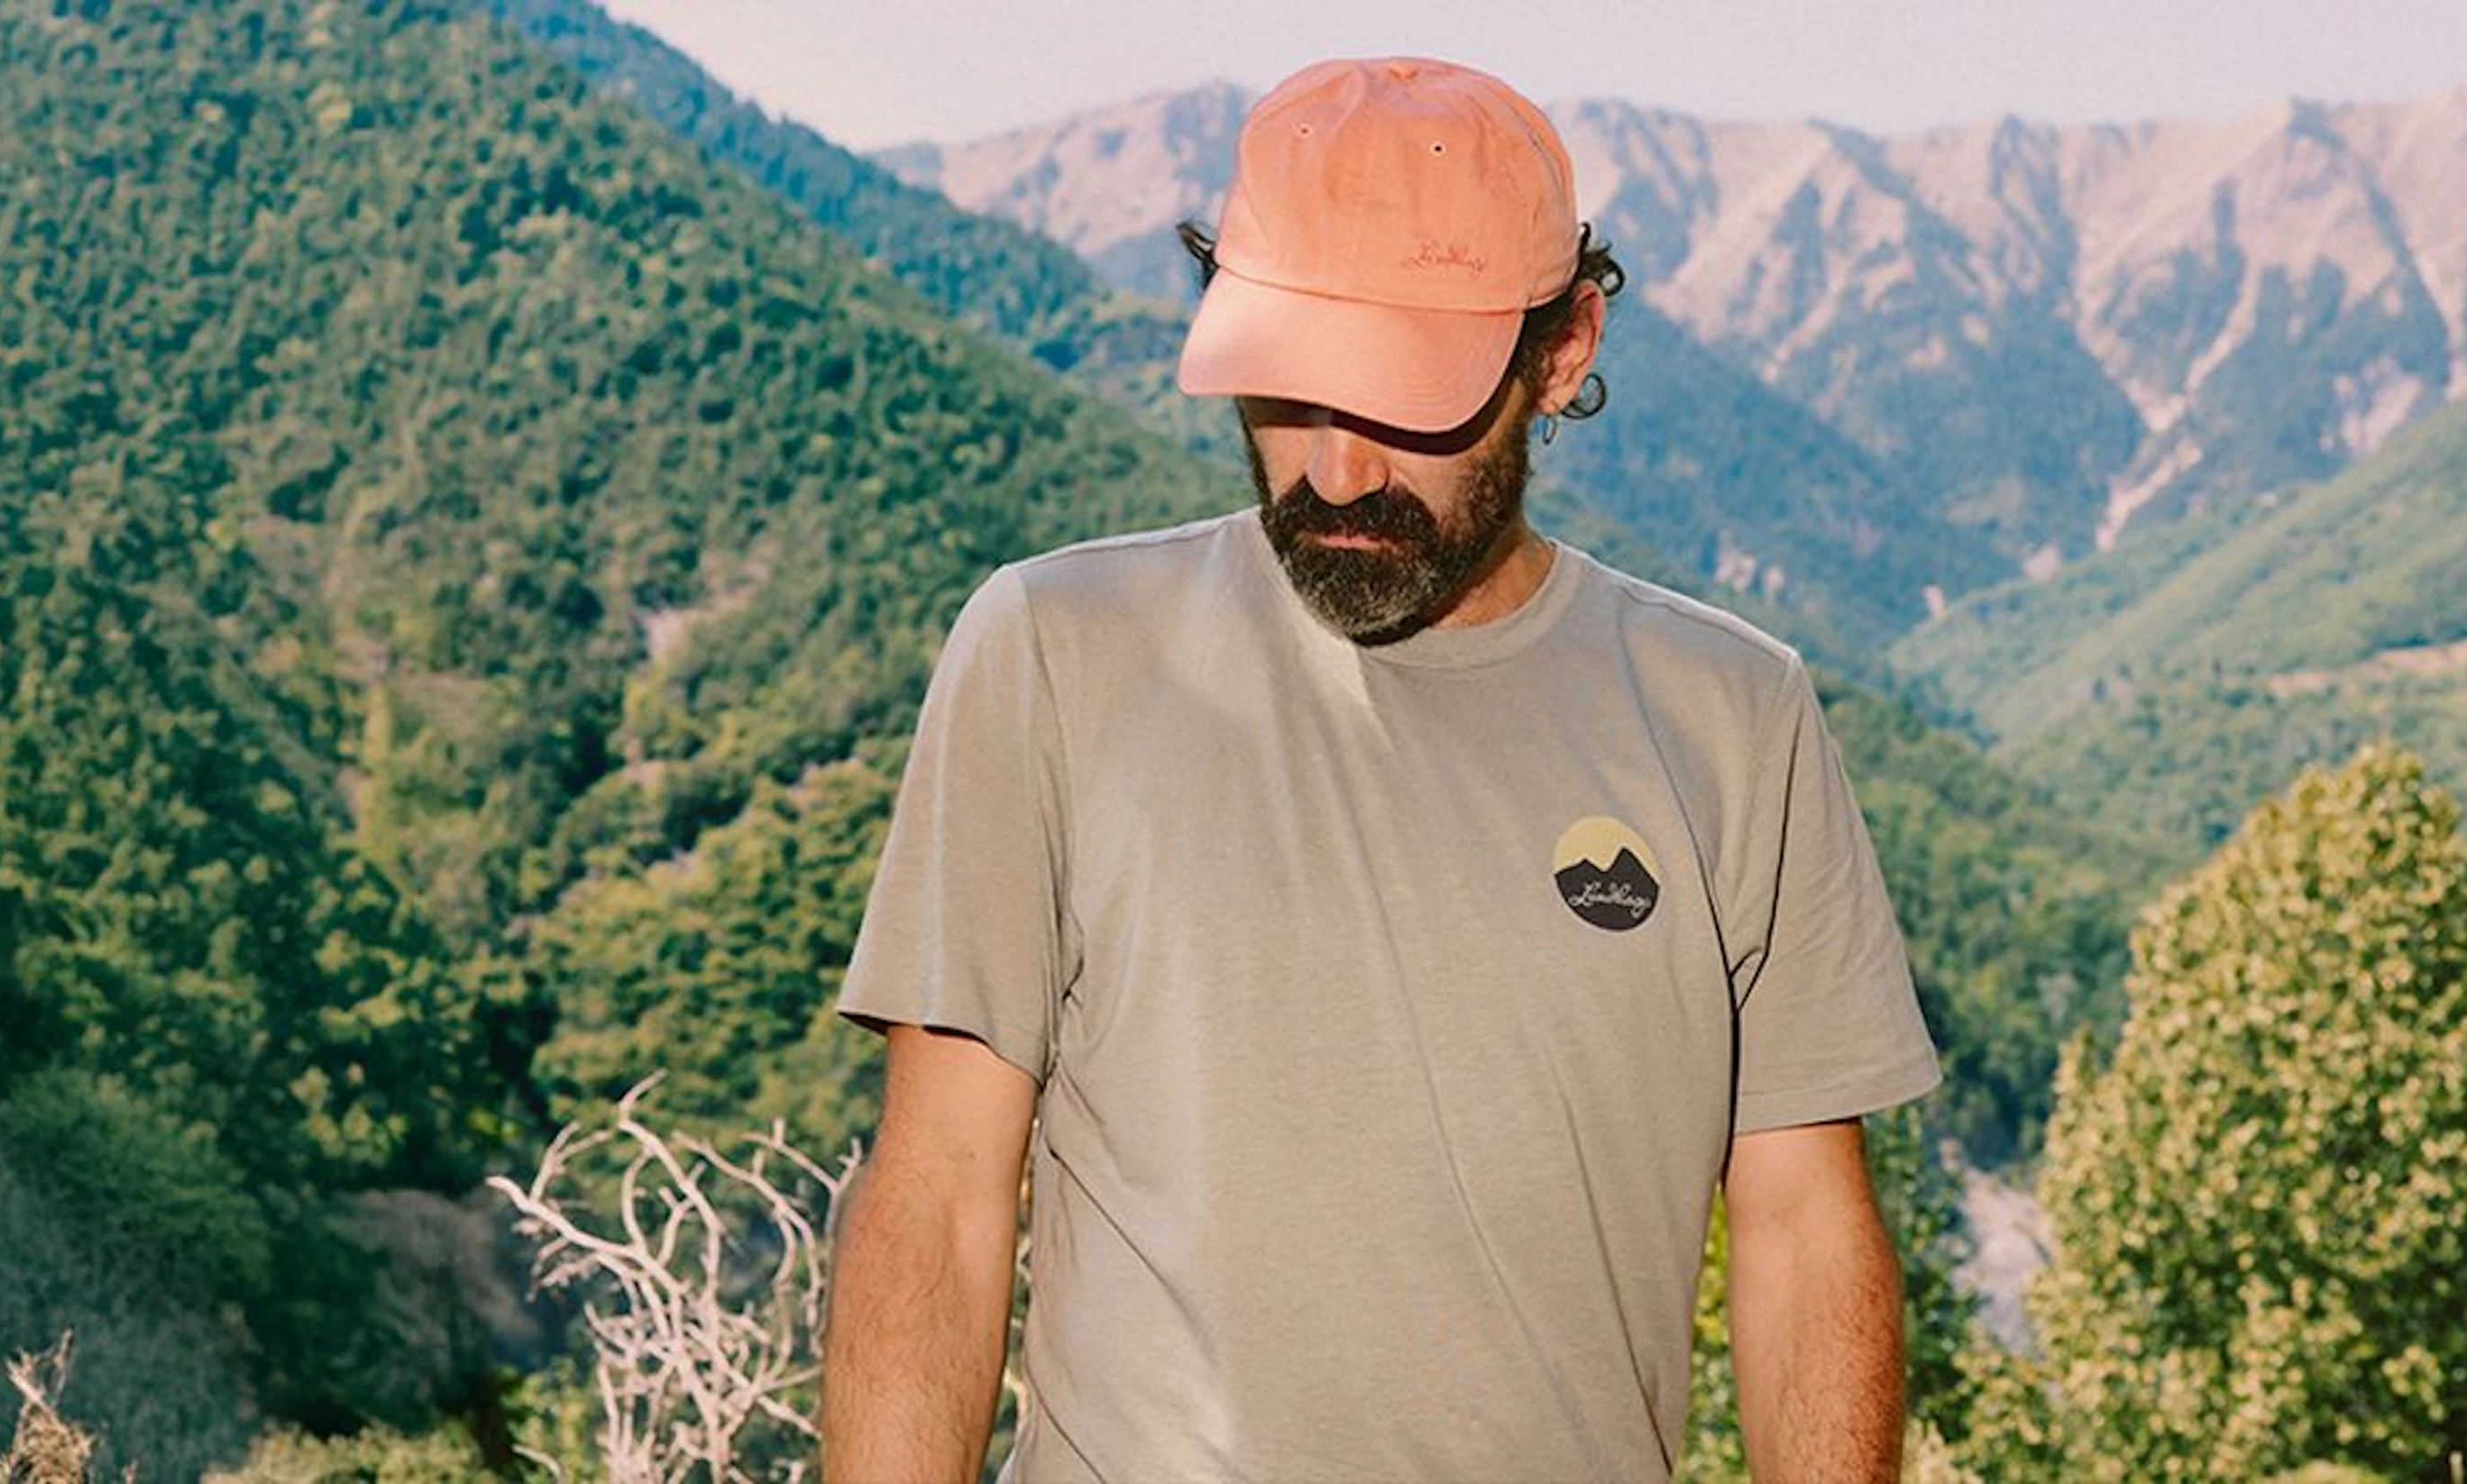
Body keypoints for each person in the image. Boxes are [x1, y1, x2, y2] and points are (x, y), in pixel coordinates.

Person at [821, 54, 1942, 1483]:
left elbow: (1802, 1231)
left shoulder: (1736, 716)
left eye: (1406, 399)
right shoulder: (1051, 656)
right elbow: (942, 1197)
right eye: (1287, 390)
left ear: (1564, 350)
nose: (1337, 469)